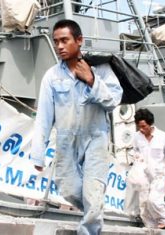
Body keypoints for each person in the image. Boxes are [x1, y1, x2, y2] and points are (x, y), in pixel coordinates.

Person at [30, 19, 122, 235]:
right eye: (56, 42)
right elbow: (43, 117)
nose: (59, 46)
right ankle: (94, 209)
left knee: (93, 192)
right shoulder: (51, 76)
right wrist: (38, 154)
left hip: (95, 138)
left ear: (79, 40)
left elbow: (113, 102)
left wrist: (92, 80)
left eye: (65, 40)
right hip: (66, 140)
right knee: (68, 188)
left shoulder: (101, 69)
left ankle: (89, 227)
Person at [130, 108, 165, 229]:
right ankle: (151, 228)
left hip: (159, 176)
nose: (141, 130)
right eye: (139, 127)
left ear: (150, 123)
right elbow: (133, 151)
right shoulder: (137, 137)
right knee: (144, 205)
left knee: (154, 201)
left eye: (144, 126)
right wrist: (135, 157)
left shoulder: (163, 137)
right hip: (143, 176)